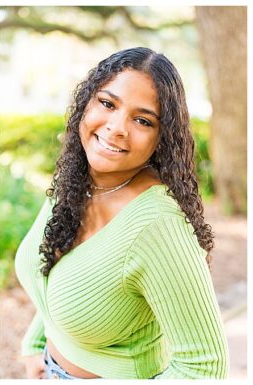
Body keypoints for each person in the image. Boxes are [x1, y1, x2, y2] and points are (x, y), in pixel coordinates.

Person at [16, 47, 228, 379]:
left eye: (143, 120)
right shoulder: (76, 180)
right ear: (86, 103)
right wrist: (36, 344)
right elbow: (58, 275)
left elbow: (204, 367)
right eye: (107, 103)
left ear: (162, 138)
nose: (116, 127)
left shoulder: (158, 224)